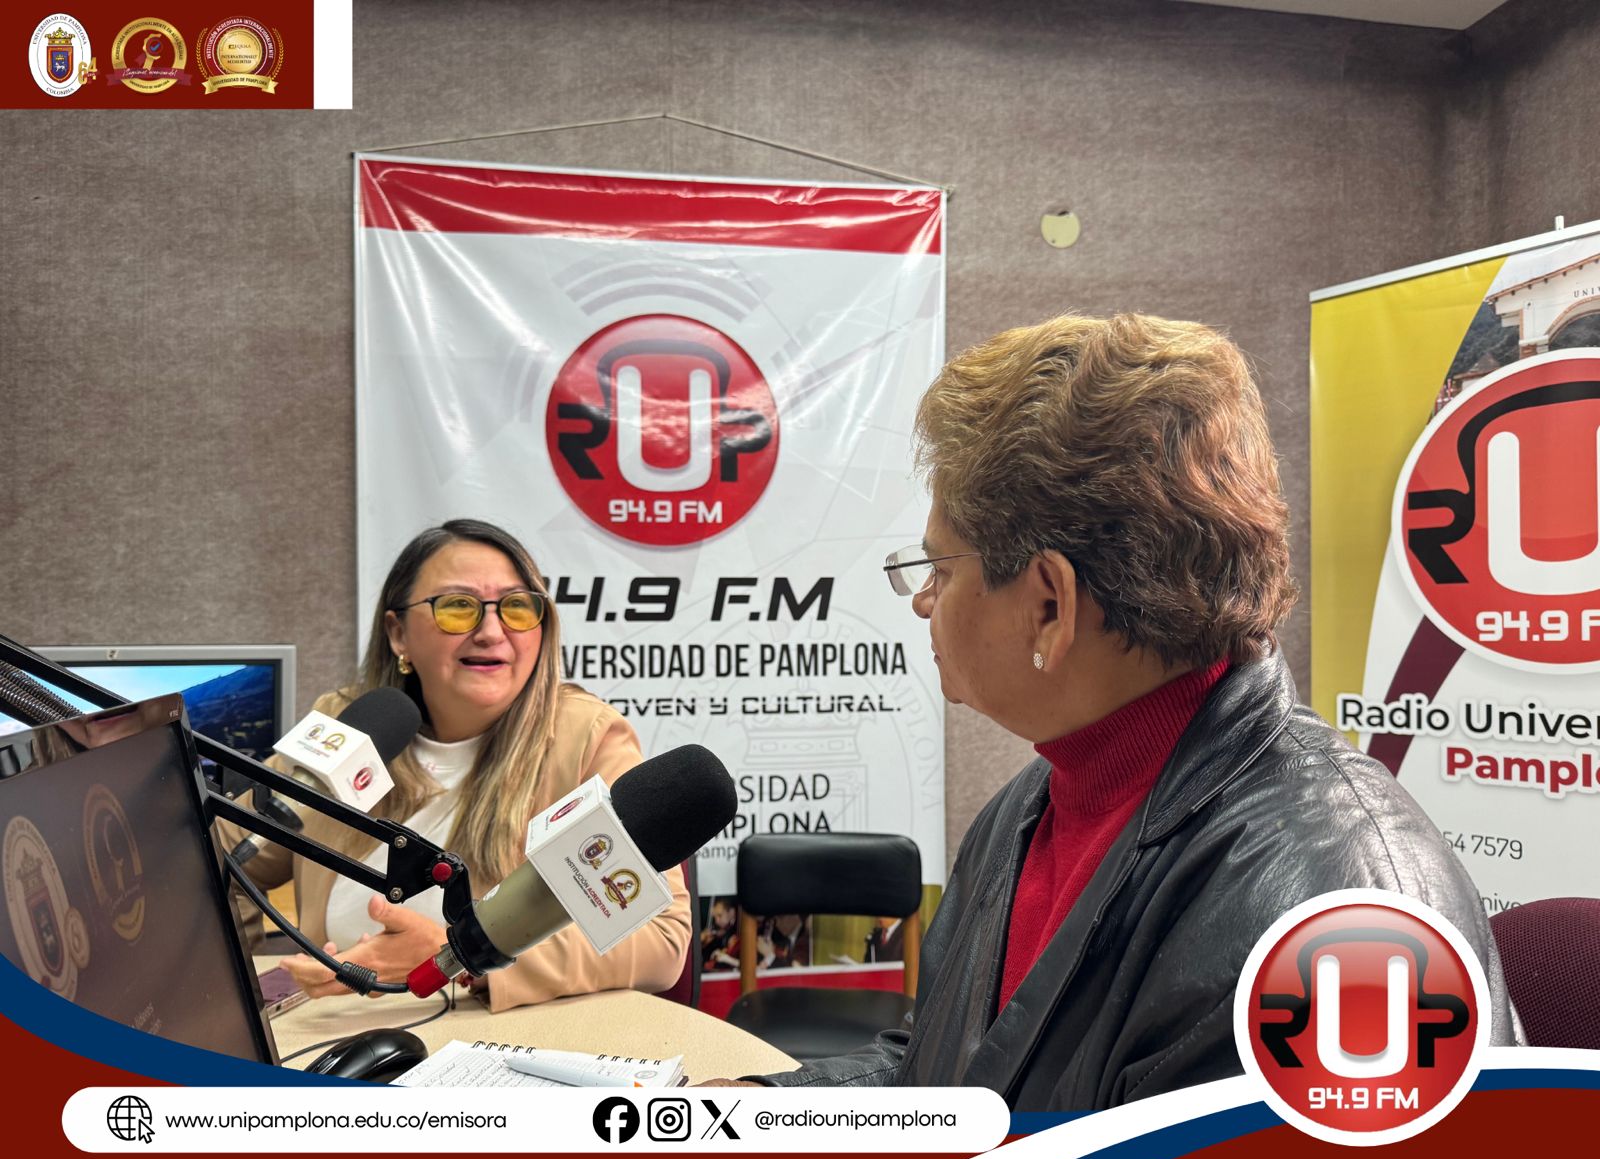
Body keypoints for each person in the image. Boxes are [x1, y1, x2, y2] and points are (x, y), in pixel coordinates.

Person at [714, 313, 1514, 1107]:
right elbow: (943, 1076)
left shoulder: (1333, 921)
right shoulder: (1032, 808)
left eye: (941, 568)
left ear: (1050, 606)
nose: (924, 601)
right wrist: (756, 1112)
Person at [226, 519, 690, 1012]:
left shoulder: (585, 739)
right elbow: (219, 859)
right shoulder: (353, 723)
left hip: (494, 1041)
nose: (491, 632)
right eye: (457, 607)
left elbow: (661, 939)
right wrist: (238, 987)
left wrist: (460, 959)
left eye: (516, 607)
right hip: (332, 1033)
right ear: (398, 633)